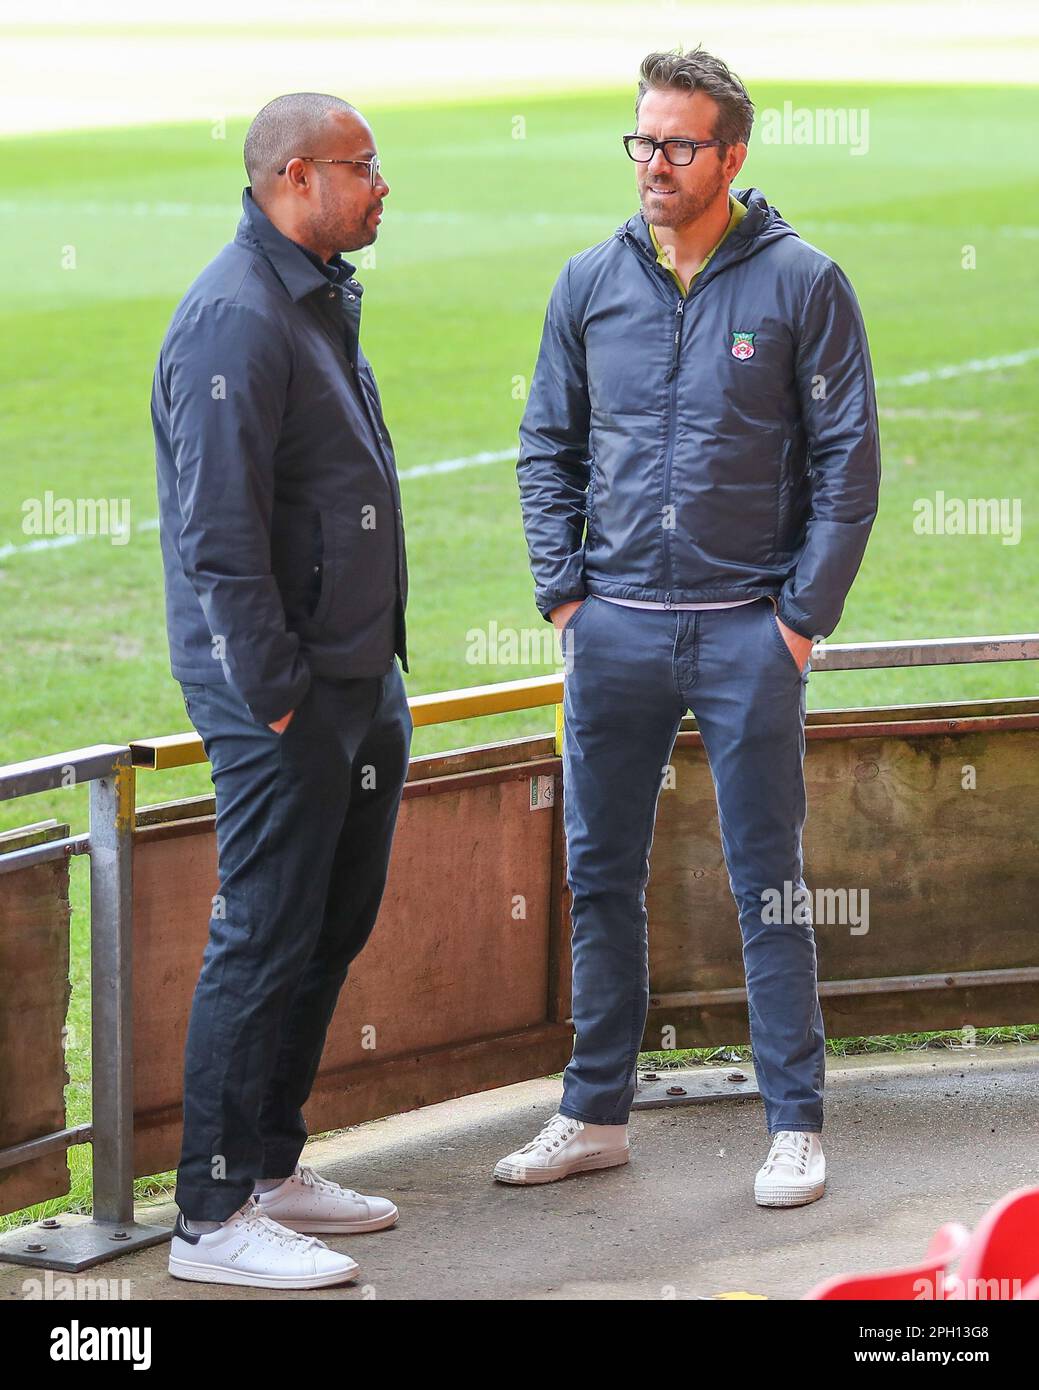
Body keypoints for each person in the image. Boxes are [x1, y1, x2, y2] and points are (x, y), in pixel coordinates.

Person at [506, 48, 880, 1206]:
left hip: (743, 636)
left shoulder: (802, 282)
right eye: (641, 141)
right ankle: (592, 1111)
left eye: (676, 145)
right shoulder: (587, 281)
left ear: (732, 155)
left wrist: (798, 623)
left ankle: (795, 1122)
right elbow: (546, 448)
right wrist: (565, 596)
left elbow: (848, 467)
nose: (653, 165)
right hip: (611, 628)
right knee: (596, 873)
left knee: (768, 879)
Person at [151, 92, 413, 1288]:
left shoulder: (311, 295)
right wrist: (281, 698)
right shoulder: (234, 319)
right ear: (293, 177)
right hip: (288, 701)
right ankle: (209, 1217)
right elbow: (219, 542)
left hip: (357, 680)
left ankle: (268, 1166)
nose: (381, 186)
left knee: (327, 927)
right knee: (261, 936)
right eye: (363, 168)